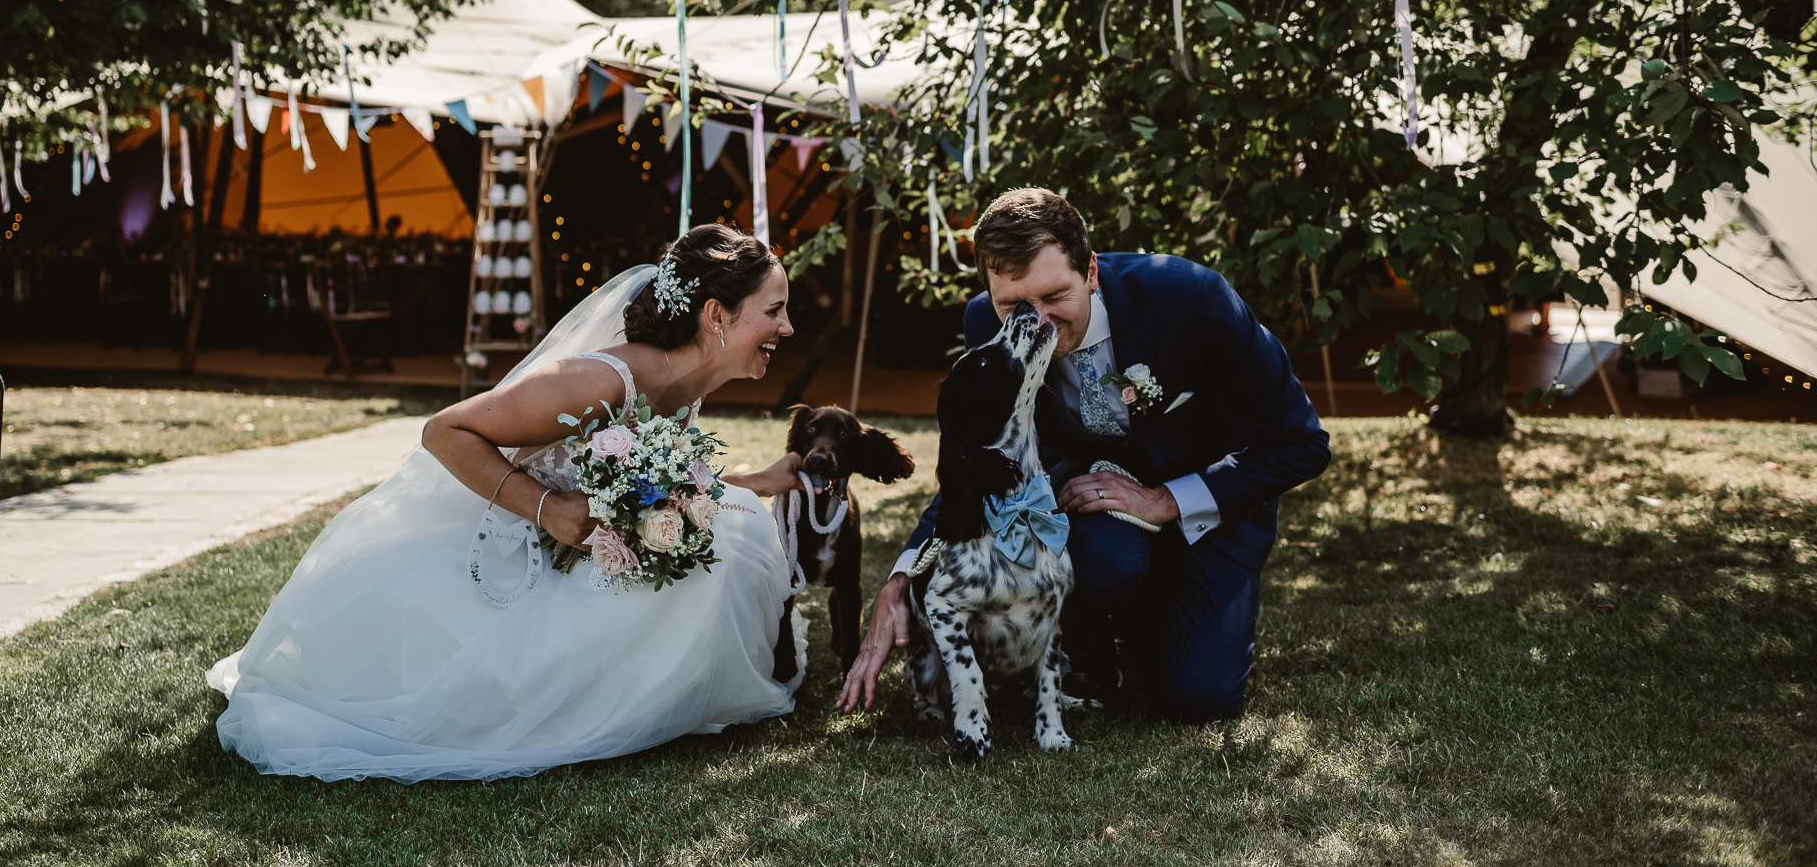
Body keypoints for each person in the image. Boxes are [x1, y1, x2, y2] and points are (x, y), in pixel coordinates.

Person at [208, 224, 806, 781]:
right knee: (715, 551)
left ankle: (670, 693)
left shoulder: (688, 381)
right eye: (774, 311)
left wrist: (763, 480)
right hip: (503, 543)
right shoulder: (601, 381)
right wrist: (549, 509)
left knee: (735, 525)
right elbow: (445, 431)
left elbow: (672, 487)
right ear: (716, 315)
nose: (787, 328)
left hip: (582, 550)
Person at [837, 188, 1329, 723]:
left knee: (1200, 700)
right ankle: (1100, 630)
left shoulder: (1193, 297)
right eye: (1014, 306)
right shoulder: (988, 325)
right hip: (1095, 522)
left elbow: (1301, 444)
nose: (1039, 322)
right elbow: (976, 459)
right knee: (1107, 561)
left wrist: (1165, 500)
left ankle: (1148, 620)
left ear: (1091, 271)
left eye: (1055, 296)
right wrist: (904, 575)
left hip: (1209, 514)